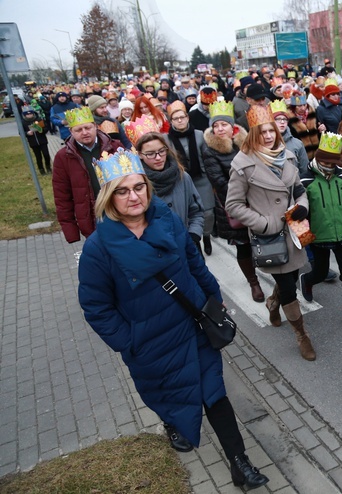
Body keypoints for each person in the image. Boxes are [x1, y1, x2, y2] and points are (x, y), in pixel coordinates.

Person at [77, 149, 269, 490]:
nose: (133, 196)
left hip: (192, 325)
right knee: (167, 393)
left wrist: (214, 299)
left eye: (139, 187)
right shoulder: (98, 249)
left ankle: (240, 463)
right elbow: (96, 307)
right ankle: (171, 422)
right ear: (109, 197)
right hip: (150, 342)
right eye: (123, 190)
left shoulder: (166, 220)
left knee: (214, 393)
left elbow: (195, 264)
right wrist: (129, 341)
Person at [226, 105, 316, 361]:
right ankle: (301, 335)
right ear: (253, 134)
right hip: (270, 235)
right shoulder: (243, 164)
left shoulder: (286, 156)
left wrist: (303, 207)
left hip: (294, 232)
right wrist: (264, 223)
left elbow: (298, 189)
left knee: (292, 275)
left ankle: (273, 303)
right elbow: (232, 205)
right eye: (262, 132)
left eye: (271, 131)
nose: (268, 136)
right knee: (289, 287)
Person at [201, 101, 265, 302]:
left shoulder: (245, 144)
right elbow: (219, 181)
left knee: (263, 238)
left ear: (233, 127)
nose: (220, 129)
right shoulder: (209, 150)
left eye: (224, 124)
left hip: (256, 200)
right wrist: (246, 191)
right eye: (216, 125)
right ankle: (253, 282)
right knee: (243, 245)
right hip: (233, 205)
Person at [299, 132, 342, 327]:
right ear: (318, 157)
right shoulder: (306, 181)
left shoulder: (341, 177)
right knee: (320, 272)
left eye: (333, 162)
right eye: (326, 162)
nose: (330, 166)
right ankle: (308, 280)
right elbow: (303, 211)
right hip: (319, 237)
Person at [52, 107, 123, 243]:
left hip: (119, 212)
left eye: (88, 128)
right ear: (70, 131)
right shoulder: (63, 157)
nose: (84, 133)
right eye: (78, 130)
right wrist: (71, 232)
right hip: (91, 219)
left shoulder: (115, 147)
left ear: (95, 127)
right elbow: (62, 197)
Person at [135, 131, 204, 253]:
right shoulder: (137, 184)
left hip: (187, 244)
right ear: (140, 154)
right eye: (150, 154)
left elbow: (196, 211)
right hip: (156, 252)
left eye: (161, 151)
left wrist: (193, 235)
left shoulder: (183, 177)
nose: (158, 157)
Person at [166, 101, 216, 255]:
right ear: (171, 121)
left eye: (182, 117)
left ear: (187, 118)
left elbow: (207, 159)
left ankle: (206, 235)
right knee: (189, 215)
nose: (180, 120)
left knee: (208, 213)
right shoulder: (166, 139)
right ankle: (196, 243)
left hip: (201, 179)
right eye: (176, 118)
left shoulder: (199, 134)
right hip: (180, 181)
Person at [271, 100, 309, 177]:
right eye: (278, 119)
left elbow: (305, 170)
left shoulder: (297, 144)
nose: (282, 122)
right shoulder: (266, 143)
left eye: (284, 119)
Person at [286, 92, 321, 162]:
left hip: (317, 154)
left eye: (304, 105)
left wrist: (321, 130)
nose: (302, 108)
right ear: (293, 107)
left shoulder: (313, 114)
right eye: (299, 106)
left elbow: (318, 132)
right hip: (302, 155)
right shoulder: (289, 120)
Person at [20, 106, 51, 175]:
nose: (29, 115)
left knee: (46, 154)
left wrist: (41, 130)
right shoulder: (23, 122)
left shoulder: (39, 119)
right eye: (27, 114)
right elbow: (21, 132)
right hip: (33, 142)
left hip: (42, 140)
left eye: (30, 113)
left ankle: (48, 167)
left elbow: (46, 128)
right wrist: (27, 133)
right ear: (25, 115)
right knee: (38, 156)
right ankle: (41, 169)